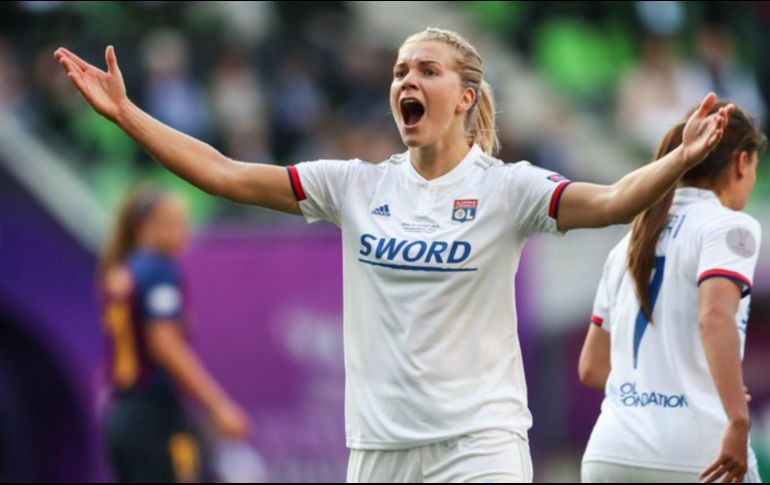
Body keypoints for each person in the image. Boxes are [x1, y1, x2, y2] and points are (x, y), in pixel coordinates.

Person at [56, 27, 732, 482]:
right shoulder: (355, 185)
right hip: (380, 452)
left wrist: (681, 158)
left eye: (427, 70)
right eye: (401, 70)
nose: (408, 78)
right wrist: (127, 114)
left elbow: (612, 200)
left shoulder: (508, 189)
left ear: (465, 98)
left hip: (480, 447)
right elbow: (223, 173)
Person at [579, 103, 766, 483]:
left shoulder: (629, 243)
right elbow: (715, 317)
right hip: (696, 453)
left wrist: (656, 386)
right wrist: (737, 417)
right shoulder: (731, 227)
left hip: (609, 452)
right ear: (742, 162)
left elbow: (591, 367)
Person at [99, 187, 250, 482]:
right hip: (155, 417)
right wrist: (218, 406)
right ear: (146, 225)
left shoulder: (123, 271)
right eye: (175, 223)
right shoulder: (158, 271)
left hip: (122, 417)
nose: (185, 232)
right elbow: (165, 345)